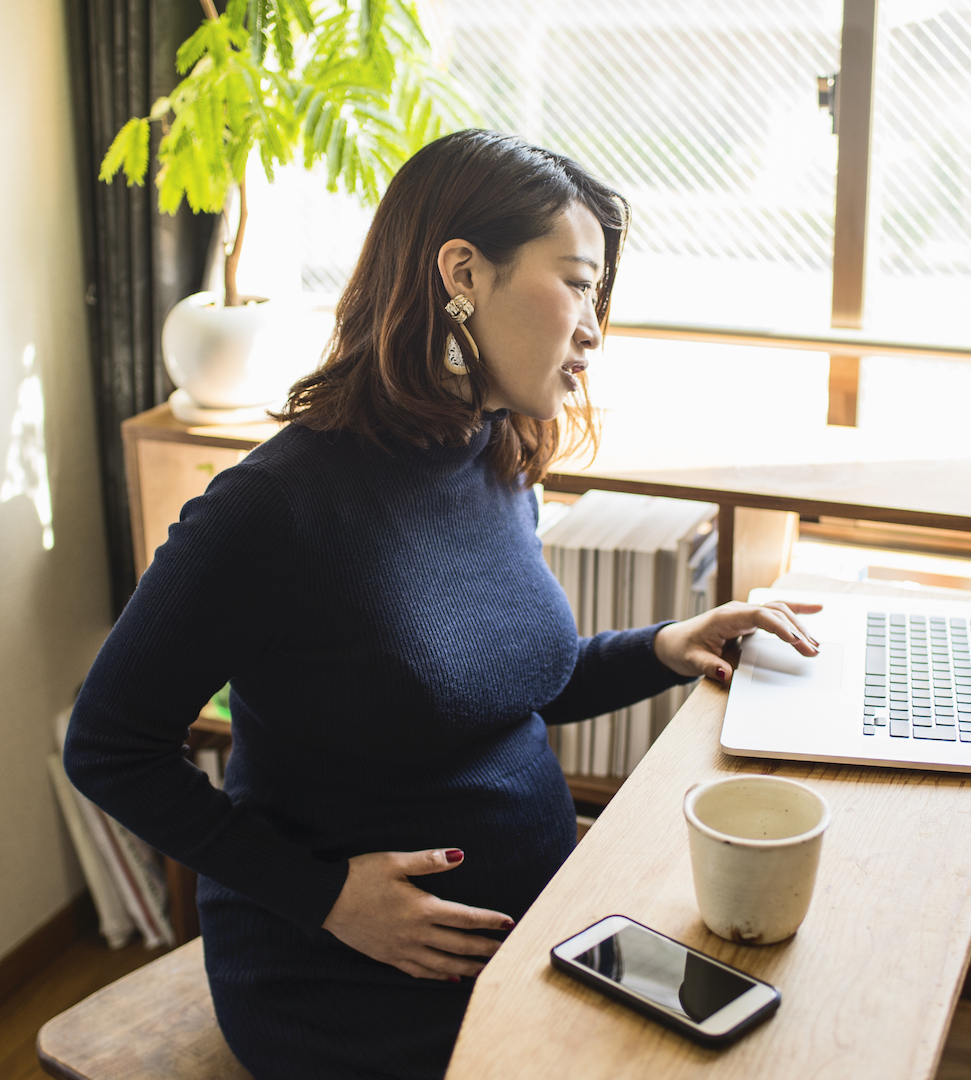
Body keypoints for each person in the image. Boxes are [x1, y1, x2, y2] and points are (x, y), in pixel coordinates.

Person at [64, 129, 820, 1080]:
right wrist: (325, 896)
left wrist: (667, 645)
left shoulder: (494, 454)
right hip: (351, 983)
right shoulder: (273, 510)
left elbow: (501, 687)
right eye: (578, 283)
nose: (594, 326)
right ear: (463, 271)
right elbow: (107, 746)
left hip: (541, 926)